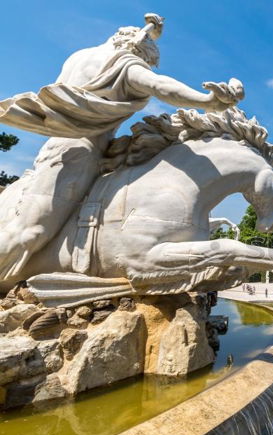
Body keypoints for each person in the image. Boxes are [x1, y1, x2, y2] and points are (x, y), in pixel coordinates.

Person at [0, 14, 243, 281]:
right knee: (30, 232)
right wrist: (208, 101)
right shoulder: (126, 66)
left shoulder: (79, 56)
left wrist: (151, 35)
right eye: (149, 61)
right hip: (79, 155)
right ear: (139, 51)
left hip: (63, 148)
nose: (147, 66)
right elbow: (162, 87)